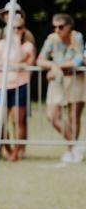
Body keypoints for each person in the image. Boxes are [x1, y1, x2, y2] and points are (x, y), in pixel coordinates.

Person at [37, 13, 85, 163]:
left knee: (73, 116)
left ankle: (71, 151)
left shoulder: (77, 37)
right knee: (52, 116)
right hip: (57, 80)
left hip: (76, 79)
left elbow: (77, 60)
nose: (57, 30)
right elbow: (40, 60)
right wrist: (53, 66)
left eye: (61, 27)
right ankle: (75, 145)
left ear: (69, 27)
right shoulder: (52, 39)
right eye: (55, 27)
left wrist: (57, 66)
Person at [0, 11, 36, 161]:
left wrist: (15, 41)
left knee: (17, 120)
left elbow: (21, 59)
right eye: (12, 28)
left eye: (19, 28)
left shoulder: (27, 45)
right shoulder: (1, 43)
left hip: (19, 84)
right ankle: (7, 148)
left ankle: (16, 152)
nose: (16, 30)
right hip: (1, 85)